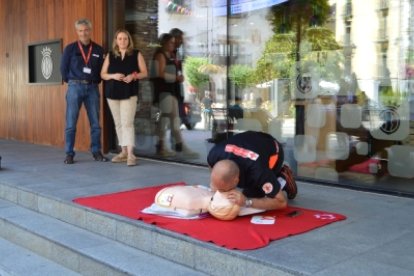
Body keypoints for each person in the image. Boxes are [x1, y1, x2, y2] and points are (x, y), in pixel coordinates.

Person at [207, 131, 297, 211]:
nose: (219, 192)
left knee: (252, 198)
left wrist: (247, 202)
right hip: (253, 140)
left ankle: (283, 177)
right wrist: (216, 187)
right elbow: (212, 168)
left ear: (236, 180)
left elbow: (281, 202)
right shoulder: (214, 154)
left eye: (222, 190)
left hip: (273, 151)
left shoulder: (257, 171)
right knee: (243, 196)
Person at [60, 18, 108, 164]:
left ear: (90, 30)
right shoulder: (70, 49)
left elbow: (101, 70)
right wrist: (73, 82)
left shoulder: (99, 50)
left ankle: (96, 152)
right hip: (74, 87)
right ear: (77, 31)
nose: (83, 33)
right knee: (70, 123)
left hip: (92, 87)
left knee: (95, 123)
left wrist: (93, 82)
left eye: (86, 30)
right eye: (80, 30)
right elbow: (63, 69)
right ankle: (69, 153)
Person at [100, 29, 148, 166]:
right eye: (120, 39)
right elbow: (103, 74)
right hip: (112, 93)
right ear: (116, 41)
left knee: (127, 123)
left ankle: (131, 154)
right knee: (118, 123)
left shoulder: (136, 54)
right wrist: (113, 76)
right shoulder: (110, 55)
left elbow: (144, 72)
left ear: (129, 40)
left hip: (129, 92)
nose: (122, 41)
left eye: (125, 39)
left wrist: (133, 76)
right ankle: (123, 152)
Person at [150, 33, 198, 158]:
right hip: (164, 91)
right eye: (170, 42)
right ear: (165, 43)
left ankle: (165, 146)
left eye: (173, 42)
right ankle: (175, 145)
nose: (173, 44)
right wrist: (176, 78)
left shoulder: (171, 55)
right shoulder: (160, 55)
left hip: (171, 91)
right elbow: (159, 73)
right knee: (170, 120)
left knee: (169, 120)